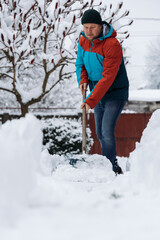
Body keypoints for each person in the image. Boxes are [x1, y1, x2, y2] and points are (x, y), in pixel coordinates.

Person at [75, 9, 129, 175]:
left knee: (106, 130)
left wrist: (90, 101)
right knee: (99, 132)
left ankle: (110, 167)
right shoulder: (83, 41)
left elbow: (108, 78)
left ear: (100, 27)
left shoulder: (112, 45)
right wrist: (82, 80)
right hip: (96, 92)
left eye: (92, 27)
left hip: (114, 92)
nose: (89, 31)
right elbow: (80, 64)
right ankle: (111, 163)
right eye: (86, 27)